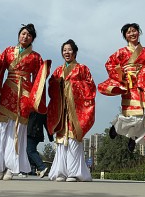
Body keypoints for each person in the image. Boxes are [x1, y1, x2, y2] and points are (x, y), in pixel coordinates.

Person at [0, 23, 51, 181]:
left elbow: (39, 80)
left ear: (32, 39)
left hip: (24, 94)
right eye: (23, 33)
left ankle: (11, 167)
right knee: (1, 130)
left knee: (17, 131)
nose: (25, 36)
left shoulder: (36, 57)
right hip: (8, 90)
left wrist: (35, 100)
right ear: (19, 35)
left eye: (29, 35)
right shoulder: (8, 51)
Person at [98, 23, 145, 152]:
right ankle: (117, 125)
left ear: (139, 32)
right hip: (130, 85)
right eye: (129, 32)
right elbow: (110, 64)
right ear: (125, 36)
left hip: (144, 85)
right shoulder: (120, 52)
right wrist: (122, 74)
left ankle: (133, 137)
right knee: (132, 114)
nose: (132, 34)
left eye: (134, 31)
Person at [47, 39, 96, 182]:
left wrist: (71, 86)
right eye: (64, 50)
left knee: (73, 140)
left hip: (76, 110)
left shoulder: (83, 69)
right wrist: (58, 85)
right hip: (62, 110)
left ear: (74, 52)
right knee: (61, 141)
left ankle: (74, 173)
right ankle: (61, 172)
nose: (66, 52)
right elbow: (51, 86)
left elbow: (90, 87)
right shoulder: (58, 70)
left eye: (69, 50)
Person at [19, 112, 53, 178]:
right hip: (36, 134)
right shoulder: (43, 110)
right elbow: (46, 123)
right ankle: (24, 170)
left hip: (31, 133)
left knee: (30, 151)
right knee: (27, 151)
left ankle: (42, 167)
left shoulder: (32, 108)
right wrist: (50, 136)